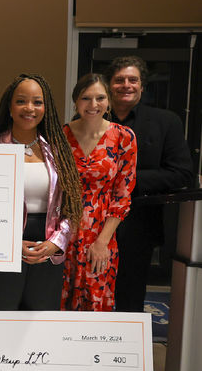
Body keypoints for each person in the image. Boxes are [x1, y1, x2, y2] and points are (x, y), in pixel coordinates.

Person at [0, 74, 82, 310]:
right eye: (21, 101)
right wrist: (11, 243)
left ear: (46, 108)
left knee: (40, 325)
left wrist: (56, 242)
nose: (29, 108)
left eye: (37, 102)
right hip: (1, 248)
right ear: (10, 107)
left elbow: (71, 208)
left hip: (47, 249)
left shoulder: (59, 151)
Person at [107, 56, 195, 312]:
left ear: (142, 86)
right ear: (109, 85)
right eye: (119, 80)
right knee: (89, 294)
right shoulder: (90, 118)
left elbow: (182, 174)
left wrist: (125, 180)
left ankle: (125, 351)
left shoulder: (166, 122)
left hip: (139, 226)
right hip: (93, 224)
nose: (126, 85)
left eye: (133, 80)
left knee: (130, 297)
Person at [60, 73, 136, 311]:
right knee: (59, 301)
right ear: (75, 102)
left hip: (101, 235)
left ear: (108, 101)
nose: (93, 105)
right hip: (64, 232)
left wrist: (102, 242)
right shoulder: (61, 136)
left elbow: (123, 195)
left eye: (100, 98)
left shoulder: (124, 137)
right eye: (86, 98)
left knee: (95, 302)